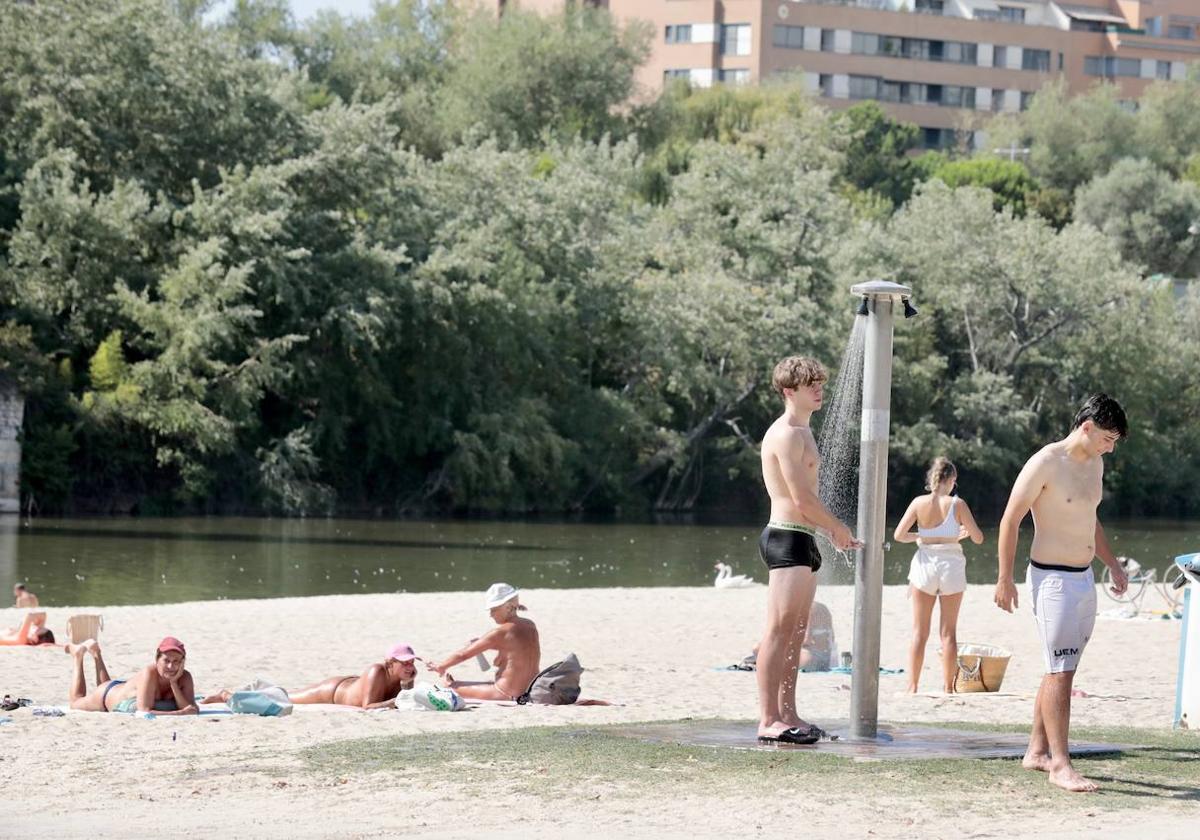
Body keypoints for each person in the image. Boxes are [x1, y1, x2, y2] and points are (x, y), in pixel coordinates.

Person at [994, 394, 1129, 793]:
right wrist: (1004, 578)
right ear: (1086, 427)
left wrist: (1113, 564)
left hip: (1083, 577)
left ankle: (1036, 751)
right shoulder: (1046, 462)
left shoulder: (1097, 463)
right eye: (1108, 437)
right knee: (1061, 672)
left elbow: (1091, 521)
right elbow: (1010, 519)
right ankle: (1060, 765)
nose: (1111, 446)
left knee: (1060, 669)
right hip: (1051, 579)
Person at [755, 355, 860, 744]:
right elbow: (800, 498)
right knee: (778, 632)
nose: (819, 389)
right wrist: (836, 527)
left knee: (797, 633)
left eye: (820, 382)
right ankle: (768, 719)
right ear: (788, 391)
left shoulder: (805, 431)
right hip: (785, 536)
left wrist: (828, 533)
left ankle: (788, 713)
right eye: (810, 384)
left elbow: (808, 501)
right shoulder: (785, 434)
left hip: (804, 538)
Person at [893, 457, 984, 693]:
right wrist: (958, 535)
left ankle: (912, 687)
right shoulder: (957, 504)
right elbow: (978, 537)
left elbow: (899, 535)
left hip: (925, 565)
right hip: (950, 565)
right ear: (952, 480)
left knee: (919, 632)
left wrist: (922, 537)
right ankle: (948, 688)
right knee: (948, 633)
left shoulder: (918, 502)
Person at [204, 643, 420, 709]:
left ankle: (254, 689)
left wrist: (409, 684)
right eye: (404, 663)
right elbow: (367, 706)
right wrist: (396, 700)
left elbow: (405, 701)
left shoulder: (403, 678)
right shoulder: (377, 671)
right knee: (286, 698)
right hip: (331, 692)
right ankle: (227, 695)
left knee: (285, 695)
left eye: (411, 662)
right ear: (391, 663)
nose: (409, 666)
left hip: (346, 685)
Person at [428, 583, 540, 701]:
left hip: (507, 693)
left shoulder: (500, 632)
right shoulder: (530, 625)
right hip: (530, 690)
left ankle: (453, 685)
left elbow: (463, 655)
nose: (491, 614)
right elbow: (516, 648)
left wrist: (441, 666)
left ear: (508, 607)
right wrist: (480, 644)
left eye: (493, 609)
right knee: (467, 683)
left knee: (449, 686)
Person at [66, 636, 198, 715]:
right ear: (157, 660)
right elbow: (144, 711)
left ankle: (96, 654)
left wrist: (173, 683)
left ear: (183, 662)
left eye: (176, 662)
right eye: (166, 661)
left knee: (109, 686)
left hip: (123, 688)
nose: (170, 667)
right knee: (75, 702)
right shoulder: (149, 673)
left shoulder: (185, 677)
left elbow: (190, 707)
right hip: (107, 695)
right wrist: (181, 713)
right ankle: (78, 657)